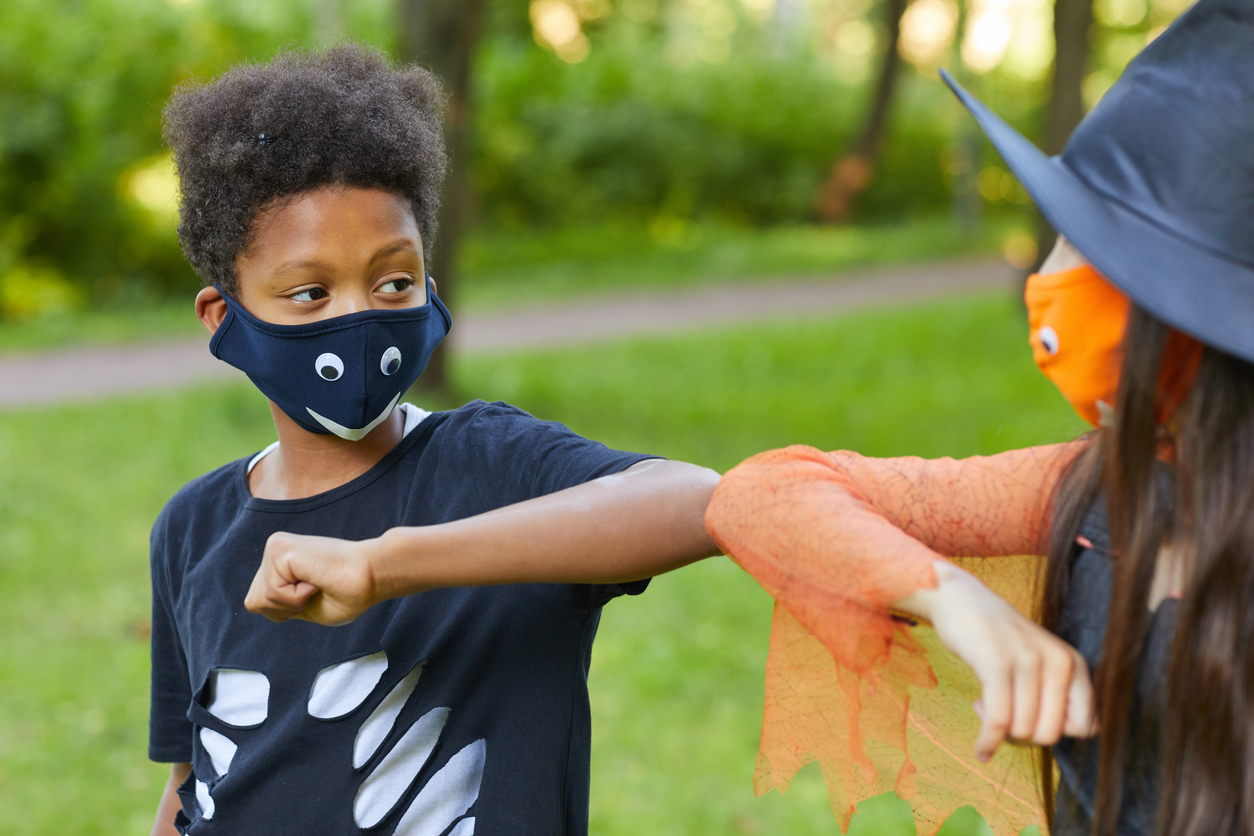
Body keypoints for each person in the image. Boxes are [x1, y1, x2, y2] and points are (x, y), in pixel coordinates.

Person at [705, 2, 1254, 834]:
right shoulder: (1098, 483)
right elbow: (763, 492)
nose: (1048, 273)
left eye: (1086, 242)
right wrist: (958, 602)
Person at [148, 46, 720, 836]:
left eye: (393, 282)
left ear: (431, 291)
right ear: (225, 318)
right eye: (310, 293)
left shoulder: (491, 465)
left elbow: (699, 503)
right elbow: (193, 781)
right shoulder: (191, 530)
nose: (357, 316)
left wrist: (388, 566)